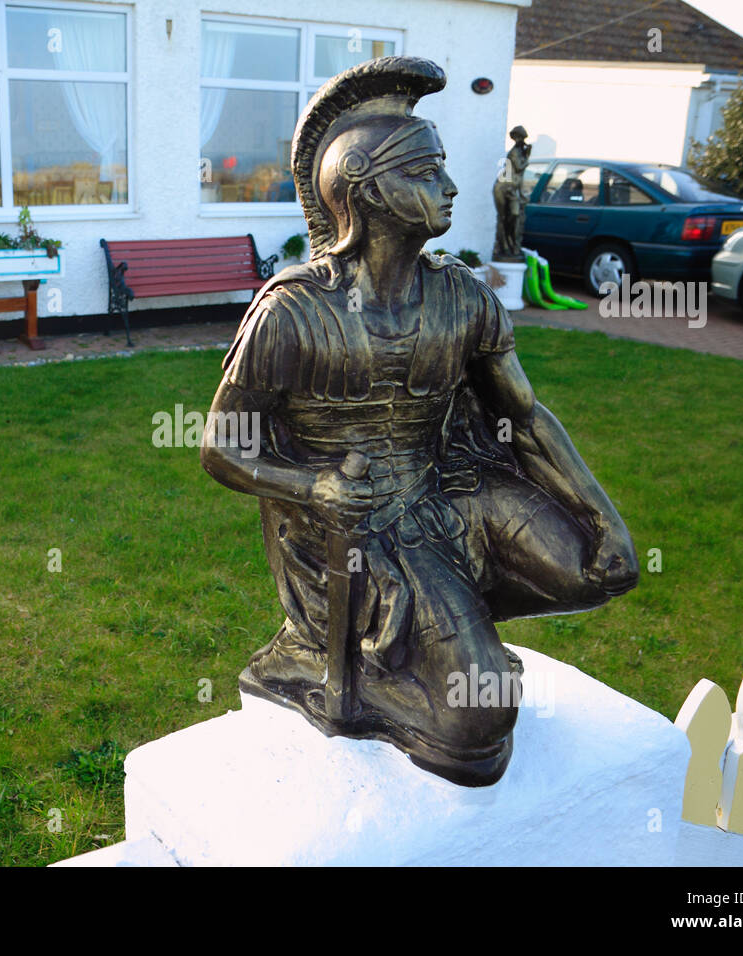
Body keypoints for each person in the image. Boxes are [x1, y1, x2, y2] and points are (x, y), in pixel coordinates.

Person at [201, 58, 637, 786]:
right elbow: (220, 446)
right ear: (368, 192)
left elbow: (524, 420)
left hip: (454, 495)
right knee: (476, 730)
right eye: (427, 171)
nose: (452, 185)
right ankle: (376, 662)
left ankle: (449, 639)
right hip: (359, 529)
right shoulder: (293, 311)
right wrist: (313, 488)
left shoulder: (463, 297)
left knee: (600, 571)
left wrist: (606, 520)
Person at [492, 125, 531, 261]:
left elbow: (520, 175)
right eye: (519, 137)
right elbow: (520, 167)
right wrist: (527, 158)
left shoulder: (520, 152)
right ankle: (504, 246)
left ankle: (512, 245)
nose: (521, 140)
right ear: (515, 138)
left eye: (523, 138)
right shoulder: (514, 152)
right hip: (503, 188)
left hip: (513, 189)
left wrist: (526, 155)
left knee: (514, 215)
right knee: (503, 218)